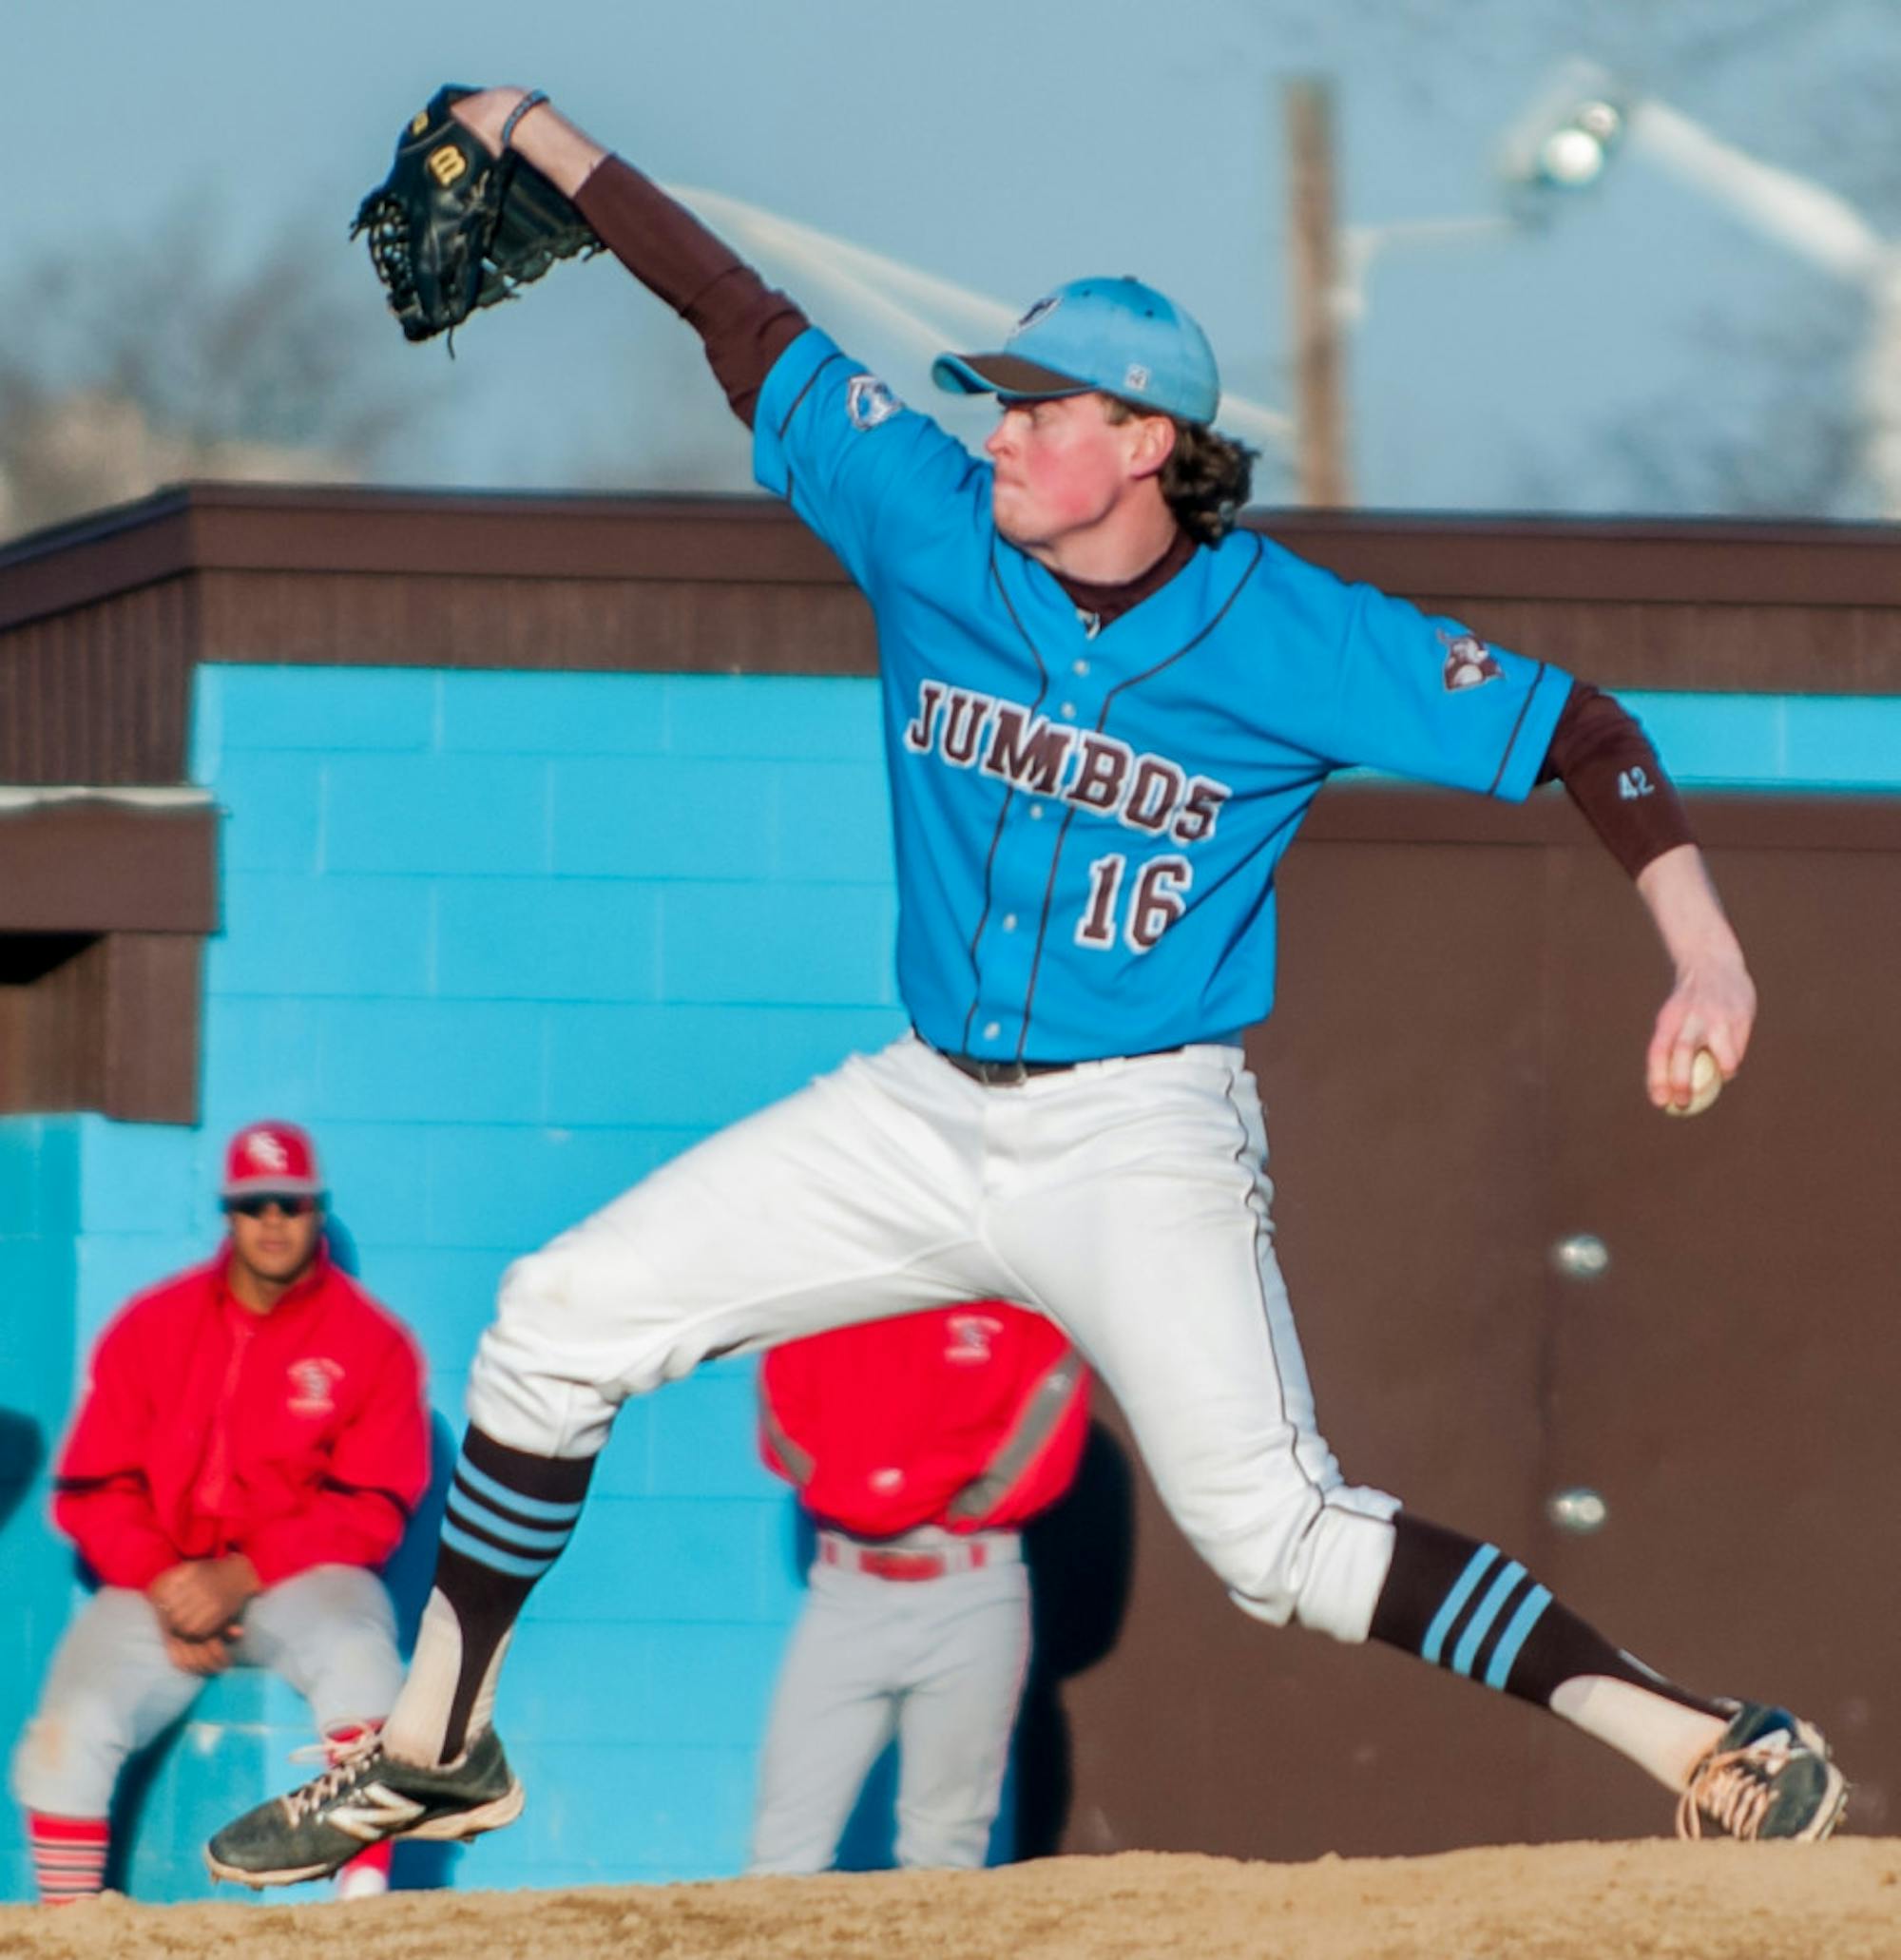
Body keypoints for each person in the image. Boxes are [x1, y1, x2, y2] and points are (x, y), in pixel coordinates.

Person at [206, 88, 1846, 1884]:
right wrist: (551, 139)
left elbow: (1581, 731)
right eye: (999, 395)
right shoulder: (927, 516)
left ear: (1145, 440)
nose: (996, 426)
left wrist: (1705, 948)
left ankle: (1696, 1736)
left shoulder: (1293, 631)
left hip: (1138, 1128)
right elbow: (742, 319)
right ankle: (439, 1745)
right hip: (919, 1109)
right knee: (550, 1321)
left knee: (1281, 1544)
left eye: (1041, 404)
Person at [13, 1121, 430, 1902]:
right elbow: (91, 1488)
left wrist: (243, 1574)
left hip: (298, 1583)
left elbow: (374, 1505)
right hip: (161, 1586)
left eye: (292, 1205)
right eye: (255, 1204)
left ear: (317, 1212)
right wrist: (169, 1584)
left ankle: (365, 1918)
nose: (273, 1222)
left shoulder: (373, 1342)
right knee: (65, 1730)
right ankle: (68, 1937)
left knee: (360, 1653)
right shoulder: (154, 1323)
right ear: (230, 1217)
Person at [749, 1300, 1089, 1874]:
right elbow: (780, 1409)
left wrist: (969, 1504)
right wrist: (857, 1492)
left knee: (944, 1850)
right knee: (782, 1847)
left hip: (971, 1581)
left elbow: (1058, 1387)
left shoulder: (1014, 1306)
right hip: (846, 1586)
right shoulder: (826, 1303)